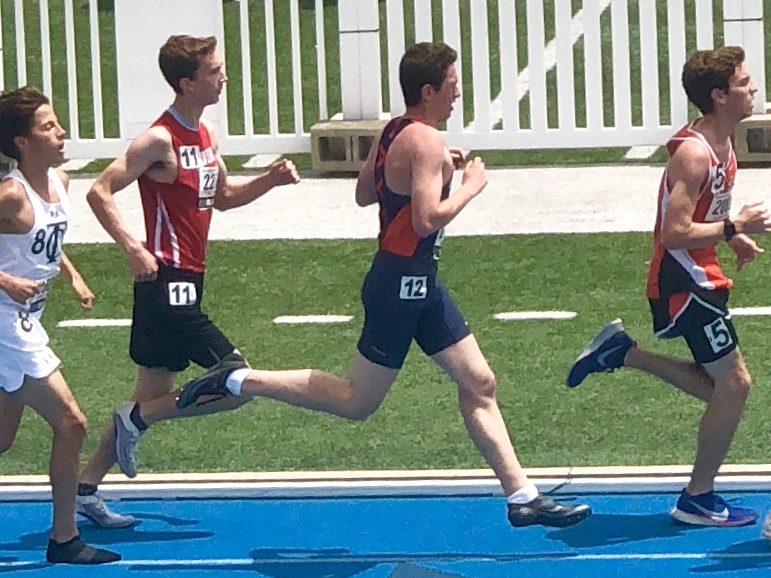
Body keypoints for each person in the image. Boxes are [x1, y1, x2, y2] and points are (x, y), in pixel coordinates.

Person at [174, 41, 592, 529]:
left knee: (479, 381)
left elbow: (364, 191)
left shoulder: (395, 131)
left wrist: (427, 168)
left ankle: (522, 497)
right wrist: (468, 186)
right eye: (452, 85)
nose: (458, 95)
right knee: (356, 401)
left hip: (419, 282)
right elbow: (425, 219)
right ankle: (237, 378)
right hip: (399, 284)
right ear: (428, 90)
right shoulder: (424, 140)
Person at [75, 34, 299, 526]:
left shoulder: (207, 134)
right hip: (164, 278)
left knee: (150, 392)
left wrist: (270, 180)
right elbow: (99, 191)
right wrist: (132, 247)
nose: (224, 77)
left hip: (189, 278)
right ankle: (136, 421)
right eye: (214, 71)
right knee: (235, 377)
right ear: (186, 82)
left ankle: (85, 489)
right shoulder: (159, 140)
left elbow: (223, 198)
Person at [566, 46, 771, 527]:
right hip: (683, 279)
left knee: (722, 389)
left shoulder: (723, 142)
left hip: (702, 272)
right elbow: (674, 231)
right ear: (719, 95)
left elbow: (706, 210)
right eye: (744, 83)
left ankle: (622, 353)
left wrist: (732, 236)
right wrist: (733, 227)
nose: (754, 89)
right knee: (734, 384)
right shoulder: (694, 154)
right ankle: (697, 497)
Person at [0, 86, 121, 564]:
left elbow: (46, 237)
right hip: (6, 325)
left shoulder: (61, 182)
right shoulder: (10, 195)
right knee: (72, 423)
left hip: (27, 320)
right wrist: (6, 280)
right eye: (48, 126)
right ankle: (64, 538)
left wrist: (71, 274)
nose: (61, 132)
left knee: (2, 440)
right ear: (21, 141)